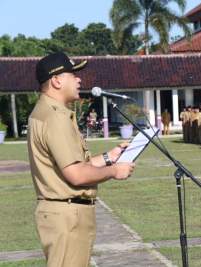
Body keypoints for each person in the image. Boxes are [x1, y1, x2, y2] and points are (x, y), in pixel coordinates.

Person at [27, 52, 134, 267]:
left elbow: (72, 164)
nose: (79, 79)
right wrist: (114, 171)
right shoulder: (55, 117)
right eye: (72, 74)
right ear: (56, 80)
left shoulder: (49, 112)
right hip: (67, 215)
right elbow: (76, 174)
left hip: (65, 213)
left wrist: (108, 157)